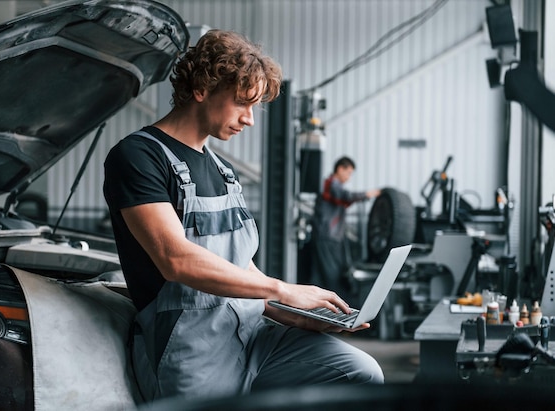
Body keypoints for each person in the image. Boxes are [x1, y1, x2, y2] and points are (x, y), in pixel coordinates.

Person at [103, 29, 383, 402]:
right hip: (191, 351)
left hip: (253, 335)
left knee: (361, 373)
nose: (250, 120)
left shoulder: (222, 170)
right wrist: (282, 289)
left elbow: (238, 267)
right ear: (201, 88)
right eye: (241, 103)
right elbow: (176, 259)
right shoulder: (139, 157)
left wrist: (296, 314)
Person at [310, 156, 381, 297]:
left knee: (321, 275)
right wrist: (367, 194)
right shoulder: (330, 184)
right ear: (340, 169)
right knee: (332, 276)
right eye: (348, 173)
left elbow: (344, 200)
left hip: (328, 237)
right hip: (327, 238)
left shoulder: (332, 187)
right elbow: (345, 196)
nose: (349, 178)